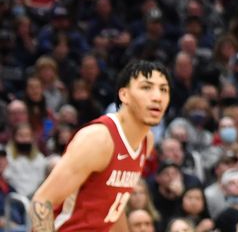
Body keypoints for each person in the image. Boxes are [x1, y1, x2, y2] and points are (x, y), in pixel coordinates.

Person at [29, 60, 170, 232]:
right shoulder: (99, 139)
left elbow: (114, 210)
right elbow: (42, 202)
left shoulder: (146, 141)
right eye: (146, 87)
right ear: (124, 95)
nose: (157, 97)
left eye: (163, 89)